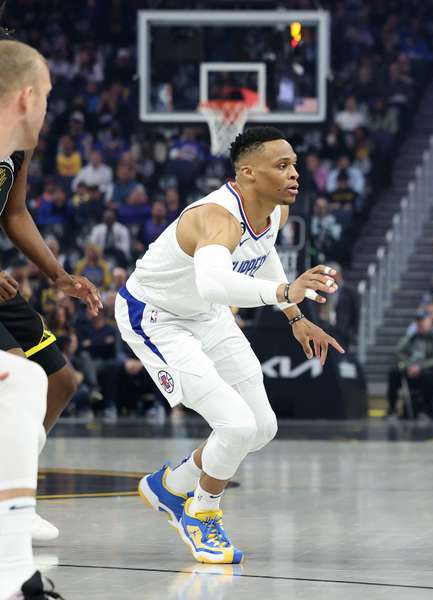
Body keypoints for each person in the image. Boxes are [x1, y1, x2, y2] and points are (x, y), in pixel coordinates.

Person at [116, 127, 344, 564]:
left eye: (294, 163)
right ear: (247, 172)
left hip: (208, 315)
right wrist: (284, 292)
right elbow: (214, 281)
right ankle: (201, 513)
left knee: (261, 427)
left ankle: (171, 484)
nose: (295, 173)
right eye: (282, 166)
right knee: (236, 427)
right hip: (158, 318)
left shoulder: (272, 211)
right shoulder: (216, 216)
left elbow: (263, 256)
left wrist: (295, 317)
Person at [0, 34, 70, 600]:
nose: (50, 104)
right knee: (17, 382)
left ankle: (15, 558)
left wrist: (55, 273)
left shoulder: (15, 150)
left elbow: (15, 211)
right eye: (46, 94)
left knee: (47, 379)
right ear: (26, 97)